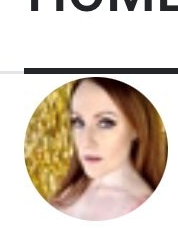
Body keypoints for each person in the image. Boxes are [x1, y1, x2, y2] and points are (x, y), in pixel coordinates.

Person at [50, 77, 166, 218]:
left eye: (106, 123)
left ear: (137, 127)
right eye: (78, 122)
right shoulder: (69, 194)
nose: (87, 141)